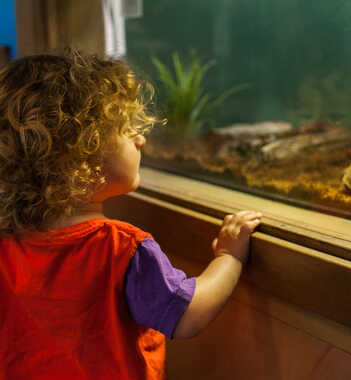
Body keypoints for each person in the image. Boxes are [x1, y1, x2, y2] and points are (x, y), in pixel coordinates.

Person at [0, 50, 262, 379]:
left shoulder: (8, 244)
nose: (141, 138)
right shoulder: (119, 248)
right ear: (79, 157)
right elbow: (188, 316)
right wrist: (229, 257)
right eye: (126, 128)